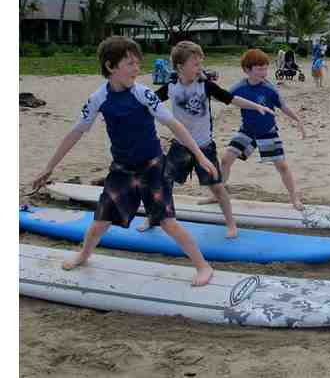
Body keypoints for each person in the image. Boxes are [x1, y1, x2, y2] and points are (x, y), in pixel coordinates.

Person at [31, 36, 217, 286]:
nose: (137, 68)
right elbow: (75, 133)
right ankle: (83, 255)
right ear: (111, 67)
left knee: (168, 222)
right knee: (100, 221)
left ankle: (203, 267)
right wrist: (49, 167)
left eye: (137, 63)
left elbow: (175, 125)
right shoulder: (98, 98)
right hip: (122, 170)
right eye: (129, 63)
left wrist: (200, 154)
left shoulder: (143, 94)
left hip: (152, 167)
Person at [137, 41, 274, 237]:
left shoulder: (205, 86)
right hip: (180, 146)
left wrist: (256, 106)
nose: (199, 68)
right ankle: (152, 216)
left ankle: (231, 224)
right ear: (179, 67)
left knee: (217, 186)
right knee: (163, 182)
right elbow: (149, 105)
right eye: (195, 64)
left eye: (200, 63)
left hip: (204, 146)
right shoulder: (171, 88)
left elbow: (230, 98)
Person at [199, 49, 306, 210]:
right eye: (260, 69)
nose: (264, 72)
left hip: (267, 132)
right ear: (247, 70)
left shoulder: (269, 89)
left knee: (282, 166)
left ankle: (294, 199)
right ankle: (216, 196)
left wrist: (298, 120)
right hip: (247, 131)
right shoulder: (239, 87)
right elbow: (220, 97)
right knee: (226, 159)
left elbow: (283, 106)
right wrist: (205, 84)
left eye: (265, 68)